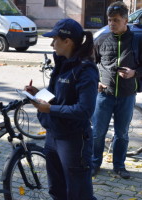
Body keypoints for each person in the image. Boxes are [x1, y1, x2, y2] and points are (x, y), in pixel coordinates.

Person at [25, 18, 98, 199]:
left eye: (54, 39)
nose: (51, 43)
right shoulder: (61, 63)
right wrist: (38, 93)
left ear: (68, 41)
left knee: (78, 193)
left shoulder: (85, 70)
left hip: (73, 141)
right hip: (53, 136)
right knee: (57, 191)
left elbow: (84, 110)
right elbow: (56, 96)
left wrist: (50, 110)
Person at [92, 1, 142, 179]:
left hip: (127, 96)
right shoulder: (101, 39)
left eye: (116, 20)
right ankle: (94, 163)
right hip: (104, 95)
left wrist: (135, 72)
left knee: (122, 134)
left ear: (126, 20)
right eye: (109, 20)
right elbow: (89, 64)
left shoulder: (137, 40)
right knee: (97, 133)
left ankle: (119, 166)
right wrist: (95, 81)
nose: (111, 24)